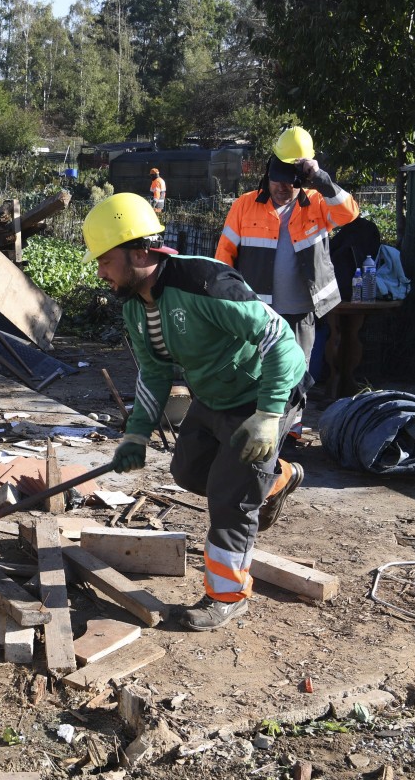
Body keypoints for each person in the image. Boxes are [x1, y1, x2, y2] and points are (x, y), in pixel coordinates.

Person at [84, 193, 308, 631]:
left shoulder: (204, 282)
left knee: (231, 499)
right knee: (188, 472)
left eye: (106, 261)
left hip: (264, 394)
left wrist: (267, 415)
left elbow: (281, 340)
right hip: (214, 397)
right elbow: (153, 370)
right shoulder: (136, 304)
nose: (100, 272)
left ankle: (227, 596)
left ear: (139, 251)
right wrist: (136, 434)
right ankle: (276, 476)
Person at [216, 126, 359, 440]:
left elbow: (349, 214)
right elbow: (224, 253)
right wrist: (223, 302)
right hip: (257, 310)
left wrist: (321, 179)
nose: (282, 187)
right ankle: (256, 425)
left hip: (300, 310)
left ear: (303, 180)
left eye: (291, 182)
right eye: (277, 178)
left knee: (297, 372)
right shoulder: (244, 205)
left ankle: (290, 429)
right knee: (257, 369)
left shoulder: (317, 204)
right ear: (268, 173)